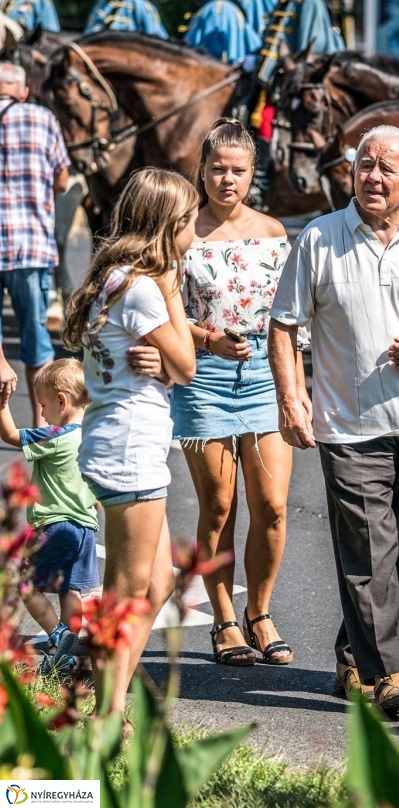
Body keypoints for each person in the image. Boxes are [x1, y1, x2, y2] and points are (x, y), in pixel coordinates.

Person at [268, 125, 399, 715]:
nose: (373, 177)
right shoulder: (319, 239)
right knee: (367, 550)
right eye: (364, 165)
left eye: (387, 169)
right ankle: (390, 673)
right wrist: (291, 398)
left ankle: (352, 653)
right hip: (348, 426)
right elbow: (283, 325)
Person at [62, 168, 198, 714]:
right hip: (130, 450)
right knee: (128, 591)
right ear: (169, 228)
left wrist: (160, 364)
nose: (195, 232)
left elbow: (159, 365)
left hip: (117, 440)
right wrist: (172, 291)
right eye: (189, 222)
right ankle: (105, 715)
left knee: (159, 583)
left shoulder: (115, 276)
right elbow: (187, 363)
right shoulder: (144, 287)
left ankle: (108, 693)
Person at [171, 118, 300, 666]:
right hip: (203, 376)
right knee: (219, 505)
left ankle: (260, 612)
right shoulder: (183, 232)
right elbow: (165, 309)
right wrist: (206, 339)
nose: (227, 180)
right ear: (201, 170)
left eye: (238, 170)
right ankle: (224, 617)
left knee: (271, 505)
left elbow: (291, 318)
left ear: (253, 173)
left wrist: (296, 388)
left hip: (267, 375)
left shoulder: (273, 232)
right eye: (217, 169)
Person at [0, 359, 98, 677]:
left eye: (43, 405)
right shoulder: (93, 435)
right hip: (85, 528)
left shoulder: (56, 436)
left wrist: (2, 403)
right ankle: (62, 655)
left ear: (61, 400)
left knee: (26, 586)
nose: (41, 414)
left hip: (53, 525)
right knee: (71, 590)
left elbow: (12, 436)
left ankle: (58, 636)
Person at [0, 62, 69, 422]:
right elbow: (62, 180)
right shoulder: (43, 119)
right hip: (30, 247)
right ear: (23, 91)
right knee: (36, 344)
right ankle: (42, 426)